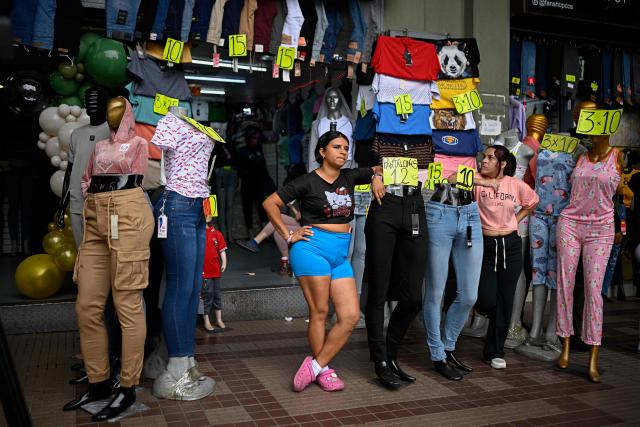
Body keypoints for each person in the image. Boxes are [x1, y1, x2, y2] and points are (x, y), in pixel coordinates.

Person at [262, 129, 384, 392]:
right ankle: (325, 371)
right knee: (319, 312)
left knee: (350, 316)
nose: (343, 151)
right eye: (337, 147)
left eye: (346, 147)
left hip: (340, 254)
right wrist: (288, 234)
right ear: (322, 152)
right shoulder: (306, 181)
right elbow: (270, 203)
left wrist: (376, 177)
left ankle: (315, 366)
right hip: (312, 248)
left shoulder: (350, 176)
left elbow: (381, 167)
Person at [465, 145, 539, 370]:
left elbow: (533, 201)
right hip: (484, 245)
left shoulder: (515, 184)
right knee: (486, 299)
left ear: (503, 164)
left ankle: (495, 351)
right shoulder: (475, 179)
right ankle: (486, 321)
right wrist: (485, 182)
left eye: (490, 158)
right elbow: (451, 178)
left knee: (505, 301)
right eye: (483, 157)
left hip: (510, 246)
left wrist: (515, 220)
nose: (484, 162)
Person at [236, 202, 301, 275]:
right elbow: (299, 217)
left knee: (278, 227)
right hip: (302, 224)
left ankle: (255, 242)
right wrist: (292, 207)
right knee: (278, 218)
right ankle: (286, 263)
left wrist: (293, 208)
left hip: (309, 229)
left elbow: (299, 217)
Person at [236, 128, 275, 234]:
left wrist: (269, 183)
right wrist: (238, 183)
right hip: (247, 184)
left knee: (261, 206)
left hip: (258, 184)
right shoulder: (242, 151)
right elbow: (239, 169)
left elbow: (263, 168)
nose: (255, 140)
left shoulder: (259, 150)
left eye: (257, 138)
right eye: (254, 138)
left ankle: (264, 231)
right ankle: (250, 231)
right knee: (247, 207)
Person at [201, 217, 228, 333]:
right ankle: (206, 320)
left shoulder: (216, 234)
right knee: (206, 295)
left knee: (217, 295)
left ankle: (219, 319)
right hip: (204, 272)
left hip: (215, 270)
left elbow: (222, 250)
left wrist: (224, 262)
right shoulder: (199, 234)